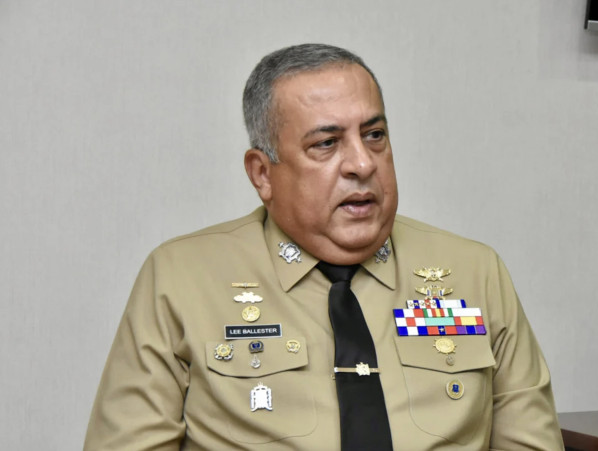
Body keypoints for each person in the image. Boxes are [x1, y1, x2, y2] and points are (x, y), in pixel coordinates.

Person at [85, 43, 563, 450]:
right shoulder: (182, 278)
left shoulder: (474, 272)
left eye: (374, 136)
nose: (362, 164)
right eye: (326, 144)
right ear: (262, 174)